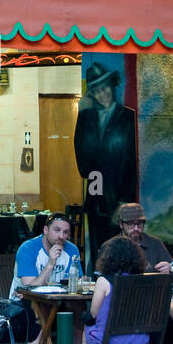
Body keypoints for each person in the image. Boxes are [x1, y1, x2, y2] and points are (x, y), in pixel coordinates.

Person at [74, 62, 138, 261]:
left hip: (120, 197)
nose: (103, 94)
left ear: (112, 85)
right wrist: (95, 195)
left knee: (121, 252)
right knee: (98, 253)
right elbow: (85, 165)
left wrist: (124, 201)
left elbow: (131, 163)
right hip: (97, 197)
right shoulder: (86, 119)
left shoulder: (127, 117)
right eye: (97, 90)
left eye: (105, 87)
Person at [76, 235, 152, 344]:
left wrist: (85, 317)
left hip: (108, 342)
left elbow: (93, 314)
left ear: (108, 257)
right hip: (139, 341)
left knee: (86, 327)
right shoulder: (143, 281)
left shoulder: (104, 281)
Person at [8, 213, 82, 300]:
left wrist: (81, 282)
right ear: (46, 230)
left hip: (60, 300)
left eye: (65, 232)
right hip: (25, 303)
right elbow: (29, 289)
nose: (61, 236)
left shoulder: (72, 249)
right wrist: (50, 264)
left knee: (79, 306)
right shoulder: (28, 248)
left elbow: (76, 283)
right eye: (57, 230)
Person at [116, 202, 173, 275]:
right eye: (131, 224)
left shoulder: (155, 243)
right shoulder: (110, 247)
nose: (136, 228)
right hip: (123, 286)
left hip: (152, 286)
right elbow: (100, 279)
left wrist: (170, 269)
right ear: (121, 224)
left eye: (139, 223)